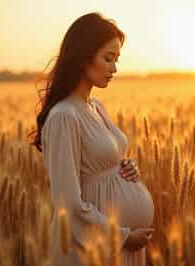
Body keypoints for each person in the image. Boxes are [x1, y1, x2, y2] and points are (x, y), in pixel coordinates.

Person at [29, 12, 155, 266]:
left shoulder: (95, 106)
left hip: (122, 246)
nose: (114, 68)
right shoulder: (64, 116)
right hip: (93, 247)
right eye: (108, 58)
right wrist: (122, 237)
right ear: (83, 57)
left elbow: (103, 162)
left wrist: (123, 166)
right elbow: (67, 203)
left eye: (117, 59)